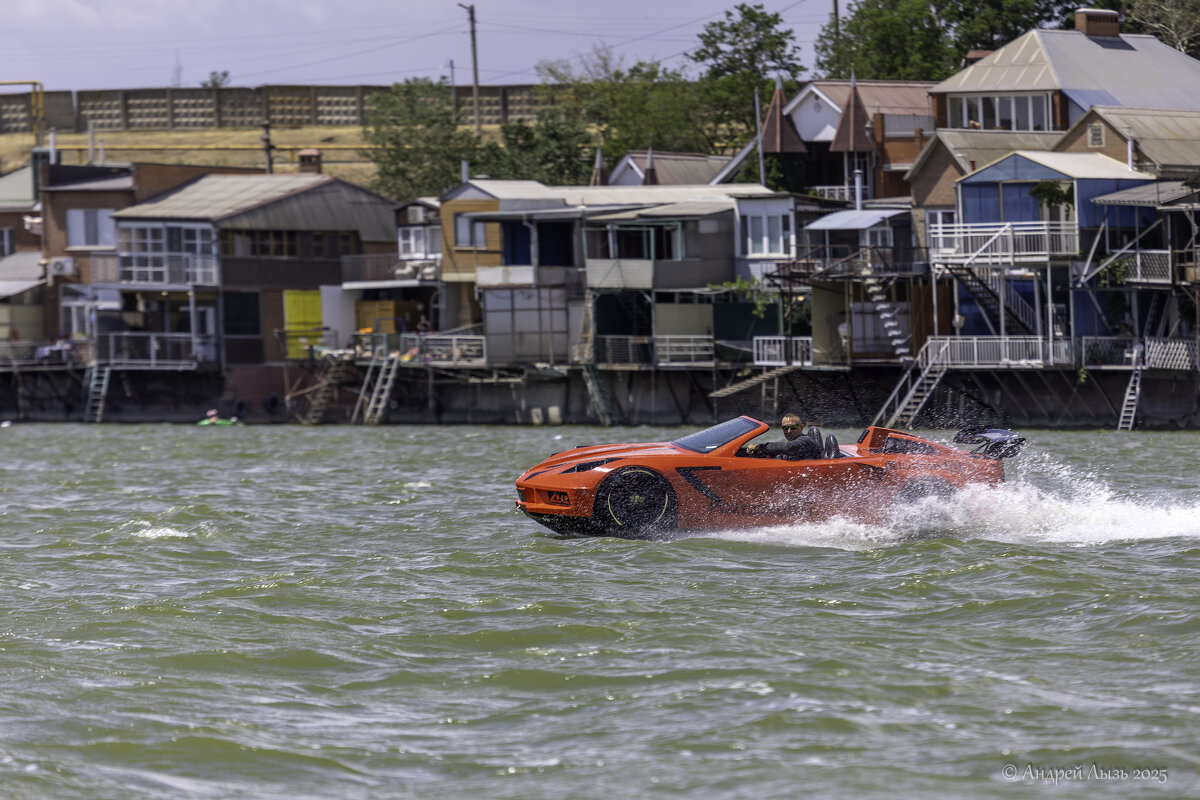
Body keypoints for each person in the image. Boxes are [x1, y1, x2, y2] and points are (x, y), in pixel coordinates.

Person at [744, 413, 822, 460]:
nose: (789, 431)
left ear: (801, 427)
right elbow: (778, 460)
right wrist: (759, 454)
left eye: (793, 427)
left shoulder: (806, 441)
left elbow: (788, 447)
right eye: (785, 428)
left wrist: (759, 447)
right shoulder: (788, 448)